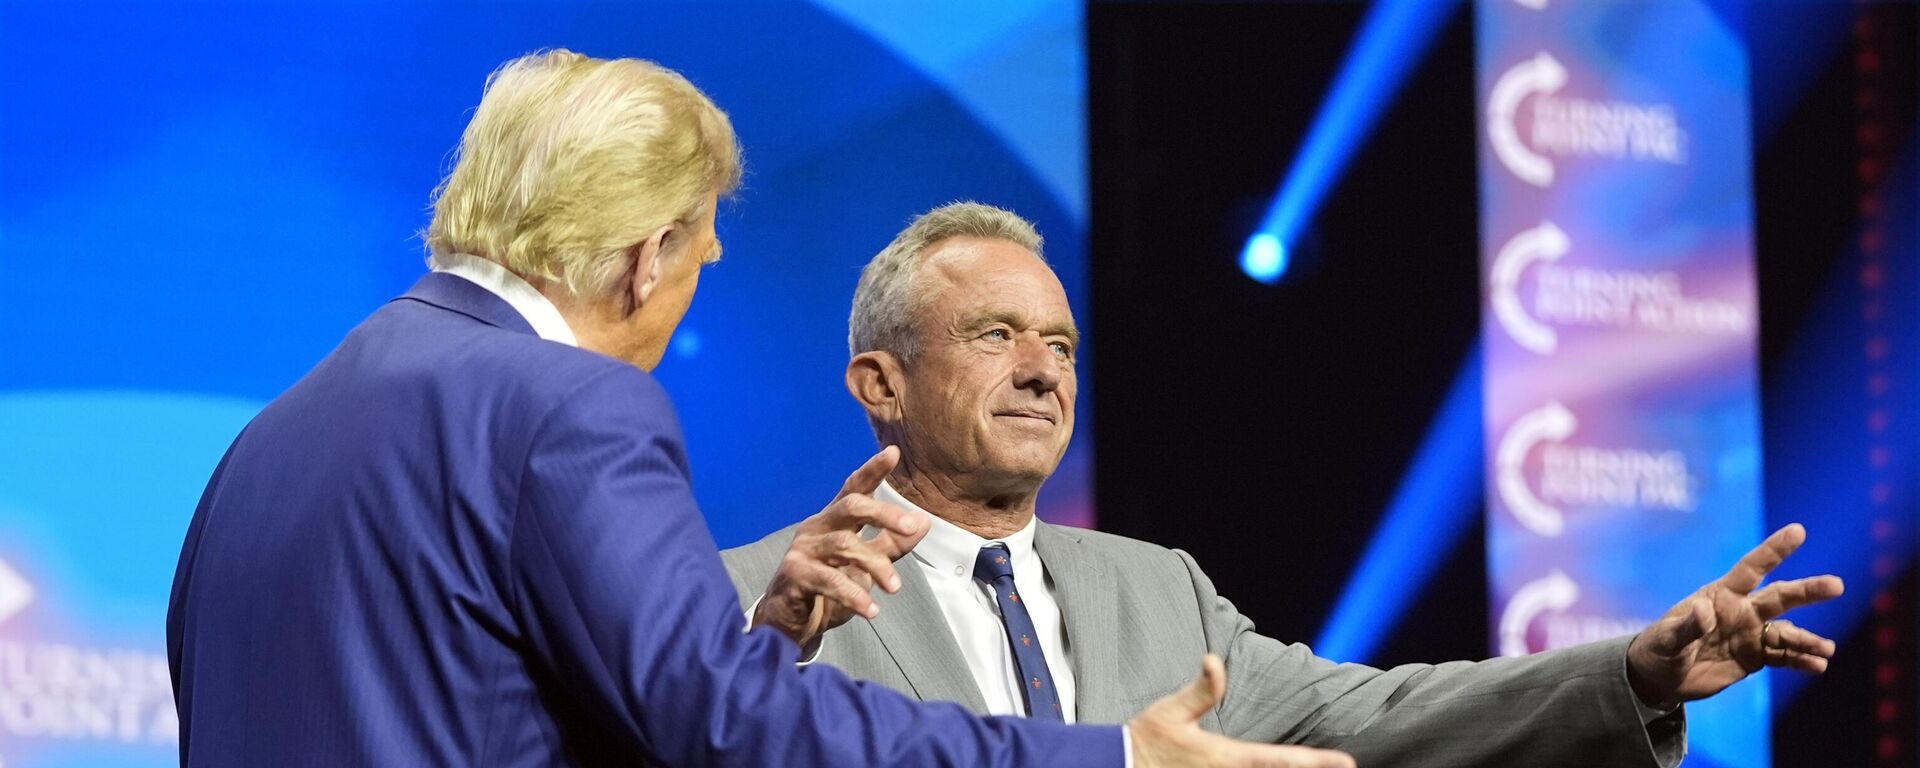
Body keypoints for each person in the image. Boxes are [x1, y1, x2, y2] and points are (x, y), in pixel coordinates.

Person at [165, 51, 1356, 768]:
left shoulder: (268, 443)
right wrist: (1111, 758)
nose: (681, 306)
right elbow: (732, 735)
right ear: (647, 253)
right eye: (699, 263)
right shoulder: (572, 404)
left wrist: (760, 637)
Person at [721, 202, 1846, 767]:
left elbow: (1379, 715)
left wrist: (1630, 673)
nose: (1040, 372)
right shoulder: (751, 595)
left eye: (1061, 347)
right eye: (996, 335)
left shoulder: (1159, 588)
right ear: (881, 383)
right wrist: (771, 652)